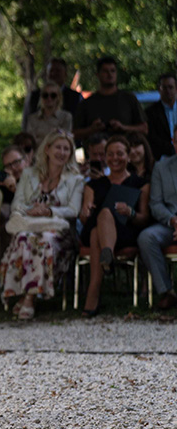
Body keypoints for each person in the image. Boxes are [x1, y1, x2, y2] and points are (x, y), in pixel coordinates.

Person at [0, 130, 83, 321]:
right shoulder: (29, 174)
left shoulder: (75, 179)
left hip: (59, 231)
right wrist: (32, 210)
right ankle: (27, 294)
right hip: (31, 225)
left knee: (44, 239)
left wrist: (49, 211)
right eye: (58, 147)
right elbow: (17, 204)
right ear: (47, 149)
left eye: (66, 149)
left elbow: (73, 210)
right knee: (23, 237)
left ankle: (29, 297)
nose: (62, 152)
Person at [80, 135, 151, 317]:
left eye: (120, 153)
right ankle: (107, 255)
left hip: (126, 231)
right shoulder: (93, 185)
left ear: (128, 156)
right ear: (105, 157)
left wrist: (130, 212)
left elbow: (144, 218)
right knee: (100, 219)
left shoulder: (141, 184)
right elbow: (84, 218)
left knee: (97, 230)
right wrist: (86, 211)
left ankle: (93, 292)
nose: (115, 158)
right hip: (96, 228)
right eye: (110, 154)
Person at [139, 125, 177, 309]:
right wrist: (173, 220)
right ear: (173, 142)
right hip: (169, 223)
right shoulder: (161, 168)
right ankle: (167, 292)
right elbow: (155, 204)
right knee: (147, 237)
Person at [73, 56, 148, 144]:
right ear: (97, 74)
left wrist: (123, 127)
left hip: (125, 149)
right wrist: (92, 129)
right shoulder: (87, 103)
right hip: (96, 150)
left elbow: (144, 128)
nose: (109, 74)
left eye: (113, 71)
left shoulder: (129, 99)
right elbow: (74, 133)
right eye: (105, 71)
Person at [21, 57, 82, 127]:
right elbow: (25, 124)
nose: (54, 74)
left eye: (58, 71)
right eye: (51, 71)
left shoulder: (76, 97)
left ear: (65, 74)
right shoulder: (33, 97)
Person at [145, 73, 177, 159]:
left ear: (176, 88)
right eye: (164, 87)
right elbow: (152, 137)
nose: (168, 91)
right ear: (159, 89)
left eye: (170, 87)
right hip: (161, 158)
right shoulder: (150, 112)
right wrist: (171, 149)